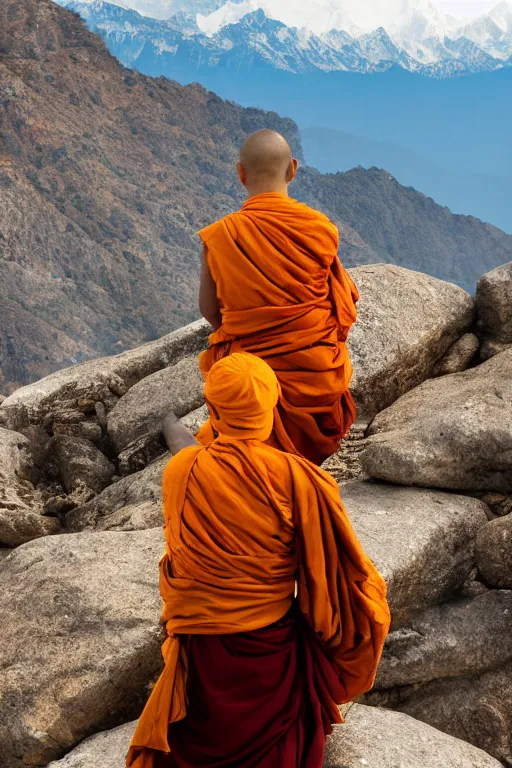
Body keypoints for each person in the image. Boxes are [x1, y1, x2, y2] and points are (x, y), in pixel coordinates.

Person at [127, 353, 390, 768]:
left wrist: (173, 424)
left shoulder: (181, 473)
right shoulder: (301, 479)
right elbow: (337, 579)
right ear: (272, 407)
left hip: (204, 657)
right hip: (271, 658)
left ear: (212, 412)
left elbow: (187, 451)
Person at [197, 129, 359, 466]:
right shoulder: (320, 228)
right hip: (318, 380)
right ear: (293, 170)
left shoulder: (222, 236)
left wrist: (248, 332)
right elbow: (338, 303)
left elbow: (211, 312)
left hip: (256, 383)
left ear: (240, 174)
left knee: (228, 382)